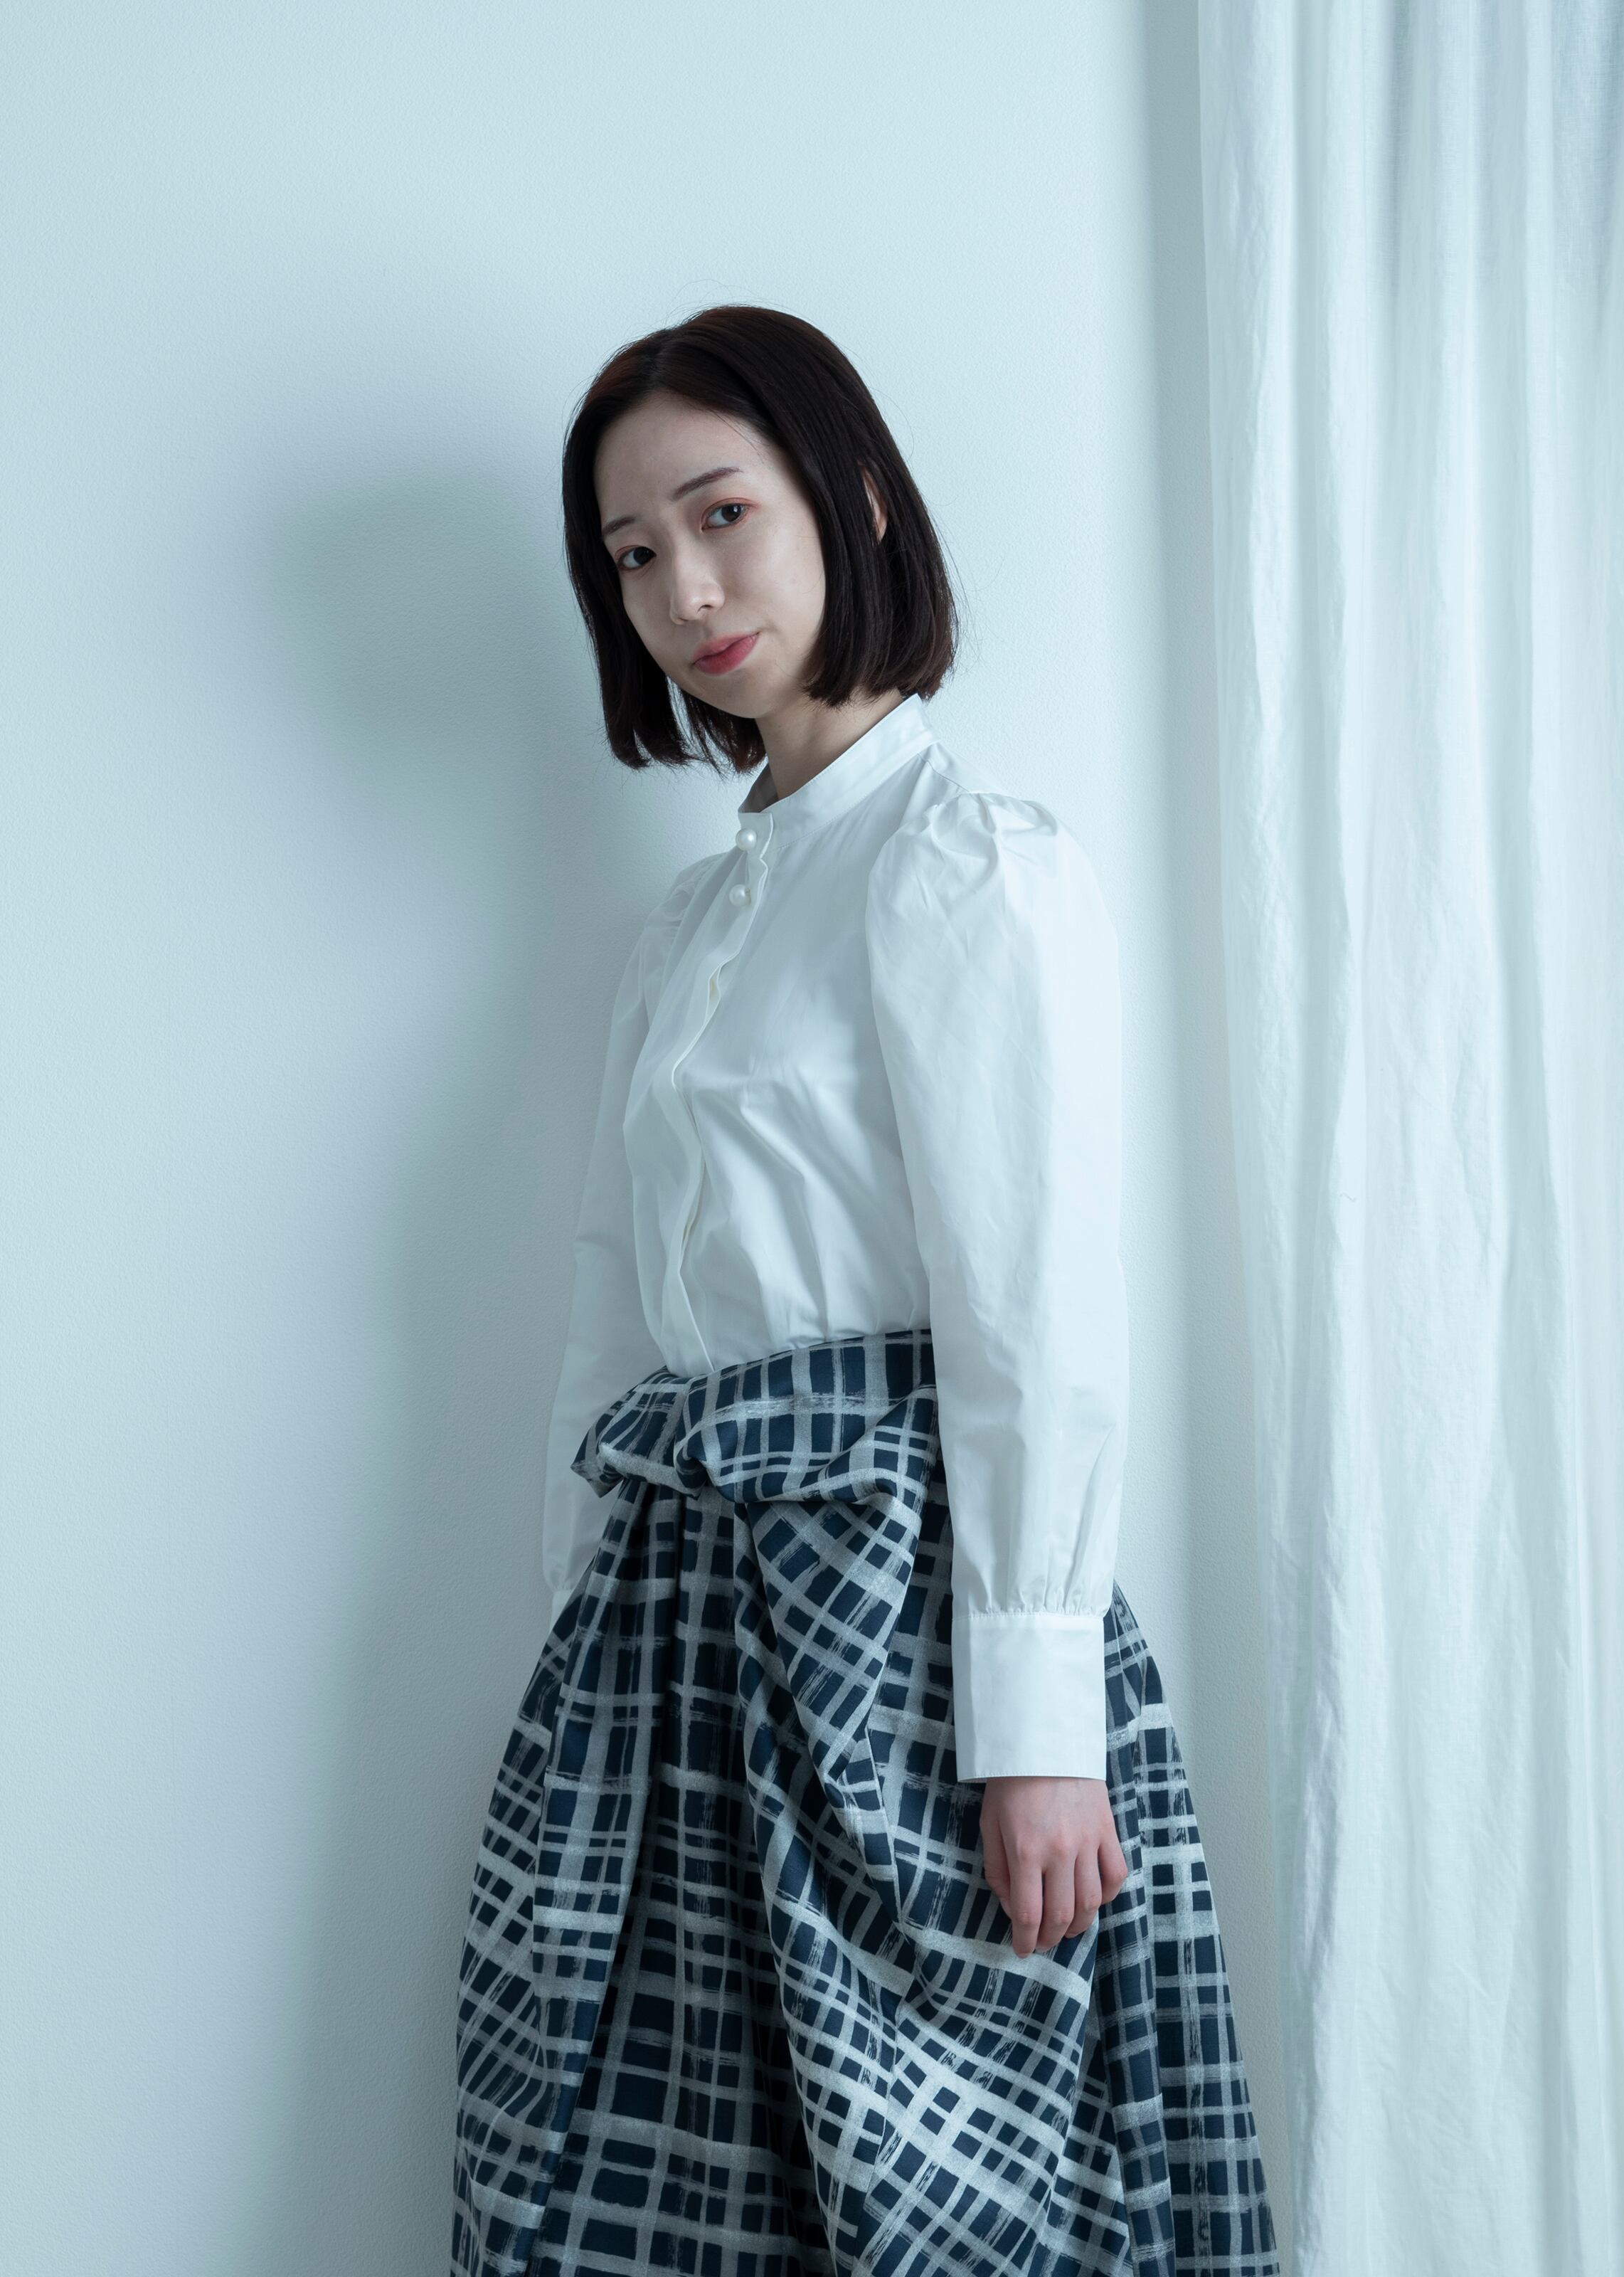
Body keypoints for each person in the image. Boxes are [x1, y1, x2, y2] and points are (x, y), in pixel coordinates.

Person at [451, 305, 1278, 2277]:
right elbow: (615, 1306)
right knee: (646, 2178)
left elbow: (1035, 1314)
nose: (686, 590)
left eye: (722, 515)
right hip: (676, 1629)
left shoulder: (962, 865)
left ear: (857, 500)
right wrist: (581, 1638)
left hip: (904, 1611)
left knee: (951, 2196)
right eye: (634, 554)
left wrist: (1037, 1723)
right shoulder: (688, 926)